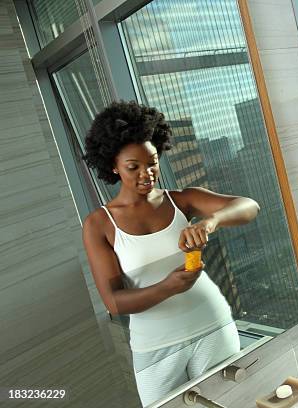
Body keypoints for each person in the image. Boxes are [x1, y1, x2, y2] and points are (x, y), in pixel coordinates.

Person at [81, 101, 260, 406]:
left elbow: (249, 206)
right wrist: (168, 287)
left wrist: (210, 221)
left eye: (152, 162)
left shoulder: (181, 200)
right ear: (113, 165)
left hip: (212, 325)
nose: (147, 174)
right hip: (155, 347)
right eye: (133, 167)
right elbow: (113, 301)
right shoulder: (100, 224)